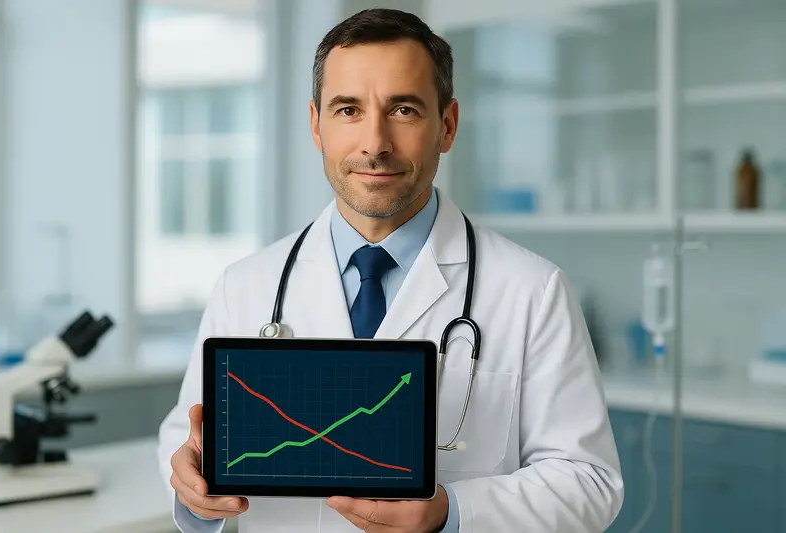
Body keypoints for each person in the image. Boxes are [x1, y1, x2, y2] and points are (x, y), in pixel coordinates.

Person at [157, 8, 624, 533]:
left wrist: (453, 510)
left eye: (403, 109)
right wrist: (189, 483)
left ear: (446, 126)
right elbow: (186, 434)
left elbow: (590, 482)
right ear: (316, 125)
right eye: (348, 109)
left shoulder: (532, 290)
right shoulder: (245, 286)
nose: (374, 142)